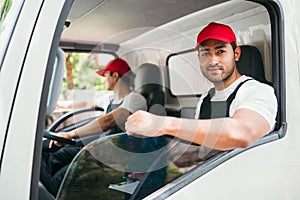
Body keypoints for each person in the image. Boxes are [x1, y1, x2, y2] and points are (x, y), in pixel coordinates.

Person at [125, 22, 278, 151]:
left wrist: (163, 124)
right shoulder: (206, 97)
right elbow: (202, 143)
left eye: (221, 52)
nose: (213, 61)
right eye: (205, 53)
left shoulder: (257, 91)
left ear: (236, 54)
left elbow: (243, 133)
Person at [40, 58, 147, 197]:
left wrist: (70, 134)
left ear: (115, 76)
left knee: (62, 176)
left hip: (116, 155)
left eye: (106, 75)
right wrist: (57, 106)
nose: (104, 79)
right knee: (52, 156)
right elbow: (87, 103)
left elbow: (108, 121)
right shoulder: (110, 98)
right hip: (100, 147)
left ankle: (49, 193)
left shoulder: (135, 99)